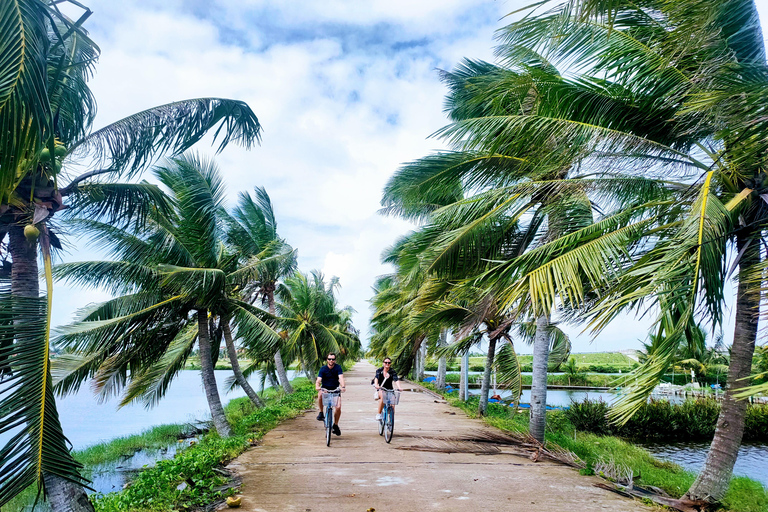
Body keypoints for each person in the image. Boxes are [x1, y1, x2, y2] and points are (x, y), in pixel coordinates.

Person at [315, 352, 345, 436]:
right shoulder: (323, 369)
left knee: (338, 407)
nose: (331, 361)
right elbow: (319, 379)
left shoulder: (338, 367)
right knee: (320, 394)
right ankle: (321, 413)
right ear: (327, 360)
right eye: (329, 359)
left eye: (333, 359)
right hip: (325, 389)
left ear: (335, 360)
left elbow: (341, 378)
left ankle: (335, 425)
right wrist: (317, 386)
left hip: (335, 390)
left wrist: (343, 386)